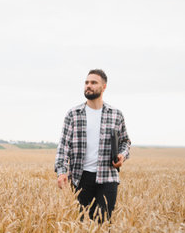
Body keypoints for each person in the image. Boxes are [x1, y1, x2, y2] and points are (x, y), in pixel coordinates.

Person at [54, 69, 131, 223]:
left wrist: (122, 155)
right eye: (86, 82)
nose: (88, 85)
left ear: (104, 87)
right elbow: (63, 146)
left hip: (108, 177)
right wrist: (62, 172)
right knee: (82, 225)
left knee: (103, 225)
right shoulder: (73, 114)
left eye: (93, 82)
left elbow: (125, 142)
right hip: (81, 178)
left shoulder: (116, 114)